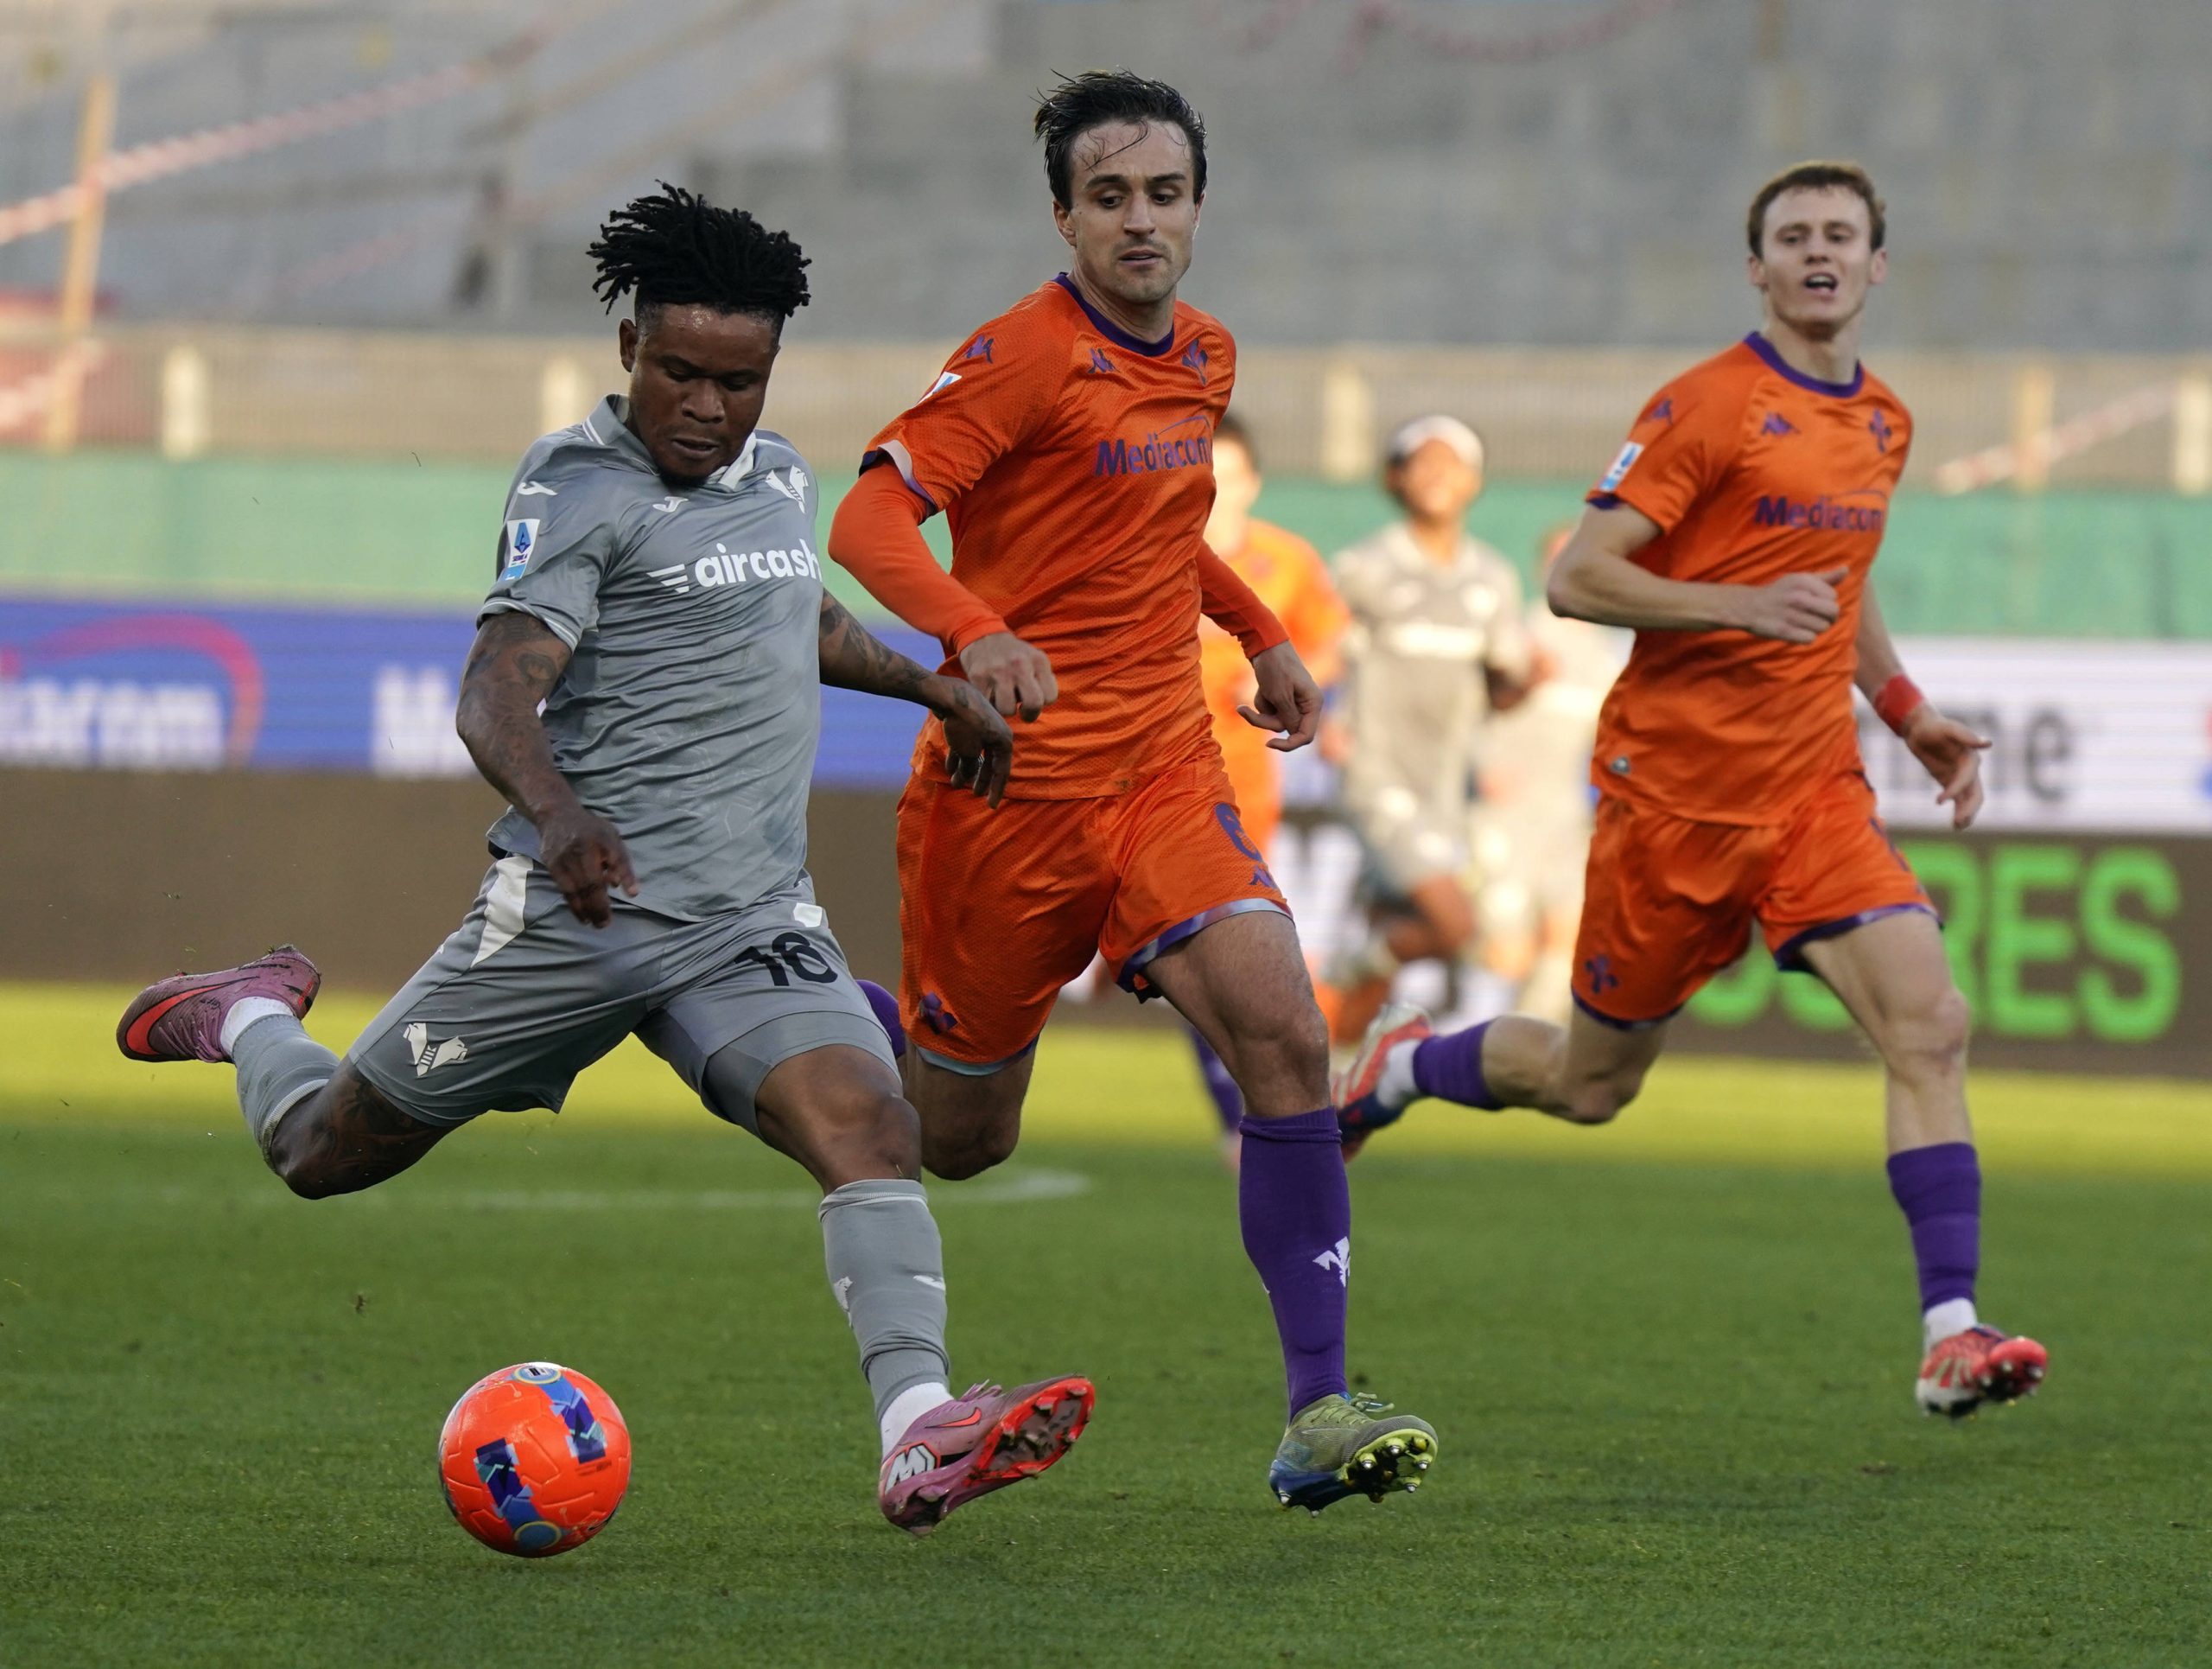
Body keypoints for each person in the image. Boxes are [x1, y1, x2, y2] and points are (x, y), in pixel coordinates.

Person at [113, 186, 1092, 1535]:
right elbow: (493, 693)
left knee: (873, 1127)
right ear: (628, 342)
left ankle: (918, 1430)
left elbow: (793, 610)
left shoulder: (781, 475)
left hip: (749, 918)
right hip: (578, 915)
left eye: (737, 380)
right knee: (320, 1149)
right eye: (678, 370)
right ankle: (248, 1013)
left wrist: (934, 687)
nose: (706, 405)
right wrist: (562, 811)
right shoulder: (576, 488)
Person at [1333, 162, 2048, 1419]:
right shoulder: (1707, 405)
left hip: (1813, 797)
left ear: (1877, 264)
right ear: (1759, 267)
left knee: (1930, 1025)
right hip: (1671, 803)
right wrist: (1732, 602)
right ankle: (1401, 1065)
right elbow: (1580, 576)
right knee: (1591, 1085)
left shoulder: (1885, 420)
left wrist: (1905, 708)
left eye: (1842, 234)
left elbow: (1843, 576)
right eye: (1794, 236)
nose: (1819, 250)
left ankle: (1951, 1330)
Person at [827, 72, 1438, 1513]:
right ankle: (813, 1002)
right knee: (962, 1139)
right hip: (1008, 788)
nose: (1140, 220)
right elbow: (865, 518)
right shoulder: (1022, 358)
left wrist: (1263, 632)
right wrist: (976, 631)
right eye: (1110, 197)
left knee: (1283, 1027)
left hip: (1164, 767)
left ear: (1198, 207)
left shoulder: (1205, 356)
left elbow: (1164, 535)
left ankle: (1317, 1409)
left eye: (1164, 193)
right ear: (1064, 215)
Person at [1319, 416, 1533, 1044]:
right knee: (1456, 927)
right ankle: (1338, 972)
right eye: (1423, 461)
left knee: (1392, 933)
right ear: (1396, 477)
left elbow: (1502, 689)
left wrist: (1528, 680)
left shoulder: (1493, 579)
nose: (1439, 475)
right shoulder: (1364, 567)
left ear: (1474, 481)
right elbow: (1323, 648)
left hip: (1445, 788)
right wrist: (1319, 709)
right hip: (1376, 775)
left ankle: (1332, 1093)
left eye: (1453, 463)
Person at [1189, 411, 1347, 1163]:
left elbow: (1330, 637)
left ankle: (1240, 1115)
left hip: (1241, 788)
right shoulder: (1143, 550)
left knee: (1212, 947)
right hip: (1135, 776)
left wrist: (1298, 677)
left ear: (1249, 479)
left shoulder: (1285, 560)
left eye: (1228, 473)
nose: (1215, 490)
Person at [1465, 523, 1628, 1023]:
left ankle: (1532, 1043)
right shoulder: (1517, 637)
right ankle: (1463, 1026)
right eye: (1559, 557)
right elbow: (1463, 712)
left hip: (1564, 817)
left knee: (1568, 935)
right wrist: (1480, 767)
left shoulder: (1606, 656)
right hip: (1503, 816)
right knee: (1506, 956)